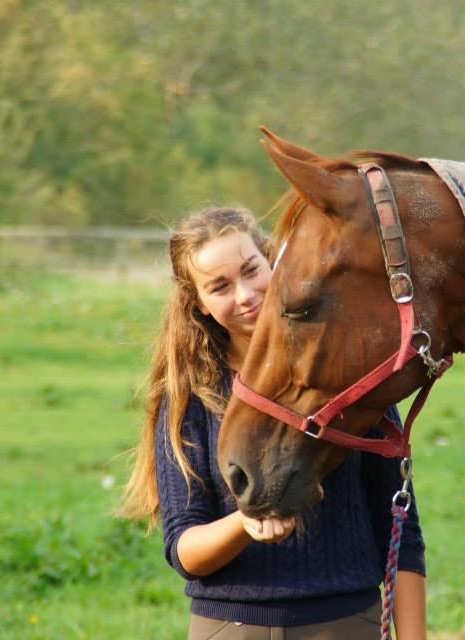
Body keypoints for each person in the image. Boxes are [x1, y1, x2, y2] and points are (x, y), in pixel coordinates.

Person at [119, 207, 427, 640]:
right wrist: (245, 523)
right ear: (199, 305)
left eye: (251, 270)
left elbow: (401, 530)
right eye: (220, 286)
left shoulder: (345, 374)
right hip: (229, 627)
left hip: (347, 623)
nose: (244, 295)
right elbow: (184, 550)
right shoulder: (191, 396)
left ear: (272, 260)